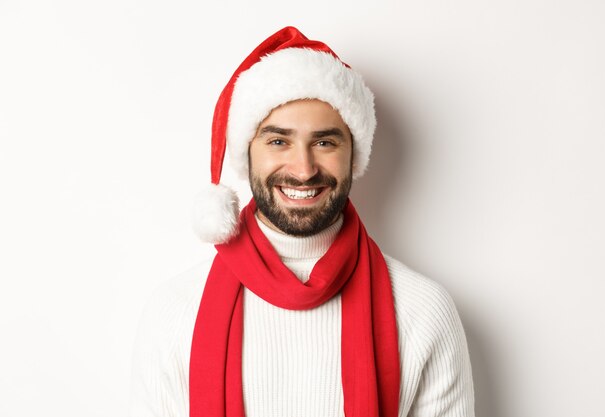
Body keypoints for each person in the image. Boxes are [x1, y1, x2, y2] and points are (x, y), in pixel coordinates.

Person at [130, 26, 475, 417]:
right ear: (247, 153)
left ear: (353, 155)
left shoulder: (422, 312)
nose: (303, 169)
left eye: (325, 142)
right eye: (278, 141)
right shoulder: (174, 313)